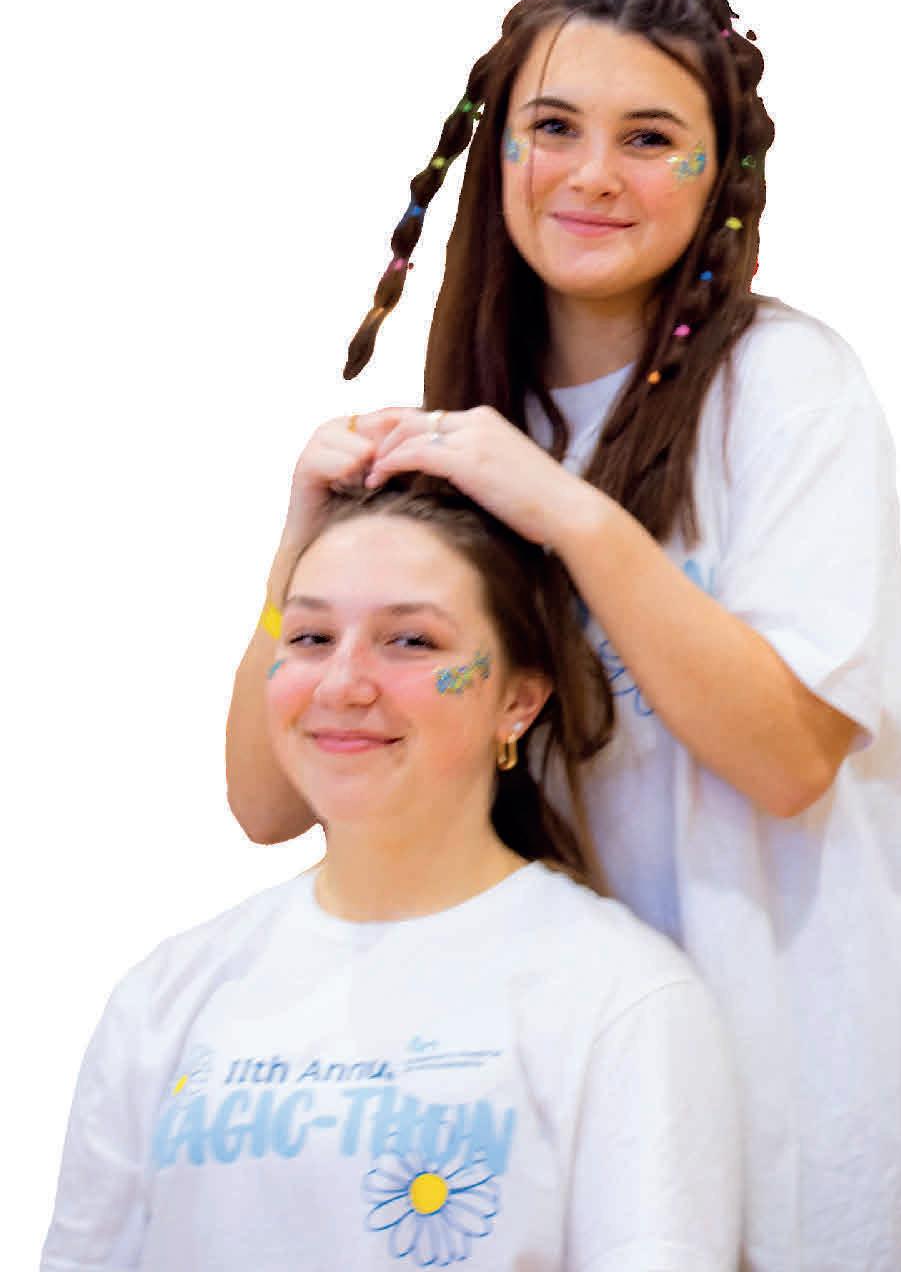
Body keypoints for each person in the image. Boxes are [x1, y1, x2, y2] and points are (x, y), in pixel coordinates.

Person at [225, 0, 901, 1268]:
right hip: (538, 1082)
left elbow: (789, 759)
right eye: (555, 126)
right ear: (497, 149)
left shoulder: (788, 391)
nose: (592, 175)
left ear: (717, 174)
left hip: (781, 1079)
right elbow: (270, 803)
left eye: (649, 138)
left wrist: (568, 515)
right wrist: (300, 541)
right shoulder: (470, 425)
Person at [43, 484, 742, 1272]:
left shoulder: (621, 999)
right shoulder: (167, 994)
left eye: (410, 641)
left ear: (518, 701)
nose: (341, 683)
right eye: (310, 636)